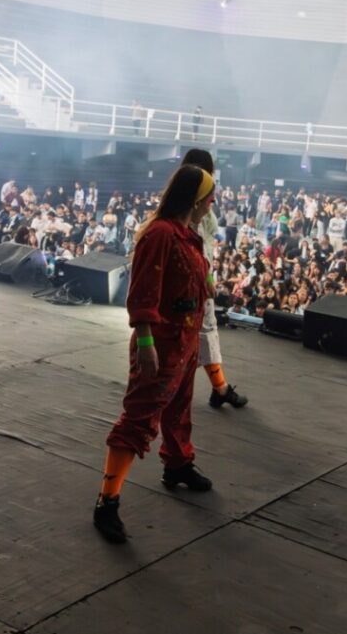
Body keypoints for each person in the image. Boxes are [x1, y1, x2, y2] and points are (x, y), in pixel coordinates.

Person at [93, 164, 217, 544]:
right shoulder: (160, 234)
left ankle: (178, 464)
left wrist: (206, 282)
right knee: (139, 416)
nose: (212, 205)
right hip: (160, 344)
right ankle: (107, 501)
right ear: (196, 200)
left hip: (185, 341)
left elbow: (197, 275)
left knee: (179, 409)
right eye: (209, 199)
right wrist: (145, 341)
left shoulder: (187, 234)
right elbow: (144, 289)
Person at [182, 148, 249, 410]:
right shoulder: (186, 212)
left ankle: (219, 387)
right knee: (200, 330)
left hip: (201, 274)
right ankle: (216, 388)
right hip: (192, 281)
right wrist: (204, 277)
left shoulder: (199, 208)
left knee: (204, 330)